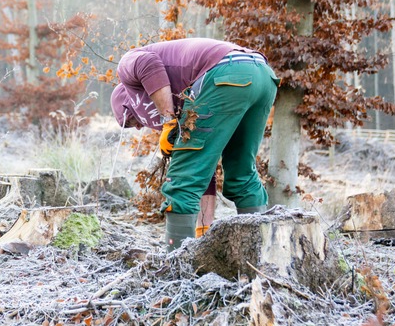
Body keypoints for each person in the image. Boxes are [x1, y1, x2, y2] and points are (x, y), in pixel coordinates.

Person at [110, 37, 278, 251]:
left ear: (129, 104)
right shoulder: (182, 93)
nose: (138, 128)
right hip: (262, 75)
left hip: (227, 72)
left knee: (180, 180)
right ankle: (264, 258)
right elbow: (201, 169)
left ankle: (177, 268)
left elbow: (147, 63)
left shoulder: (127, 67)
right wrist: (203, 231)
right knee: (242, 172)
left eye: (132, 121)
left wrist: (169, 121)